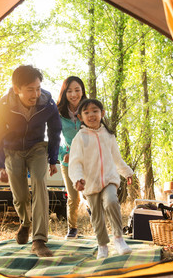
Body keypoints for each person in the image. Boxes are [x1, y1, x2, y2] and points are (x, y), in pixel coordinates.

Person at [0, 65, 62, 257]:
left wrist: (53, 159)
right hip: (12, 150)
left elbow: (55, 131)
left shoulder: (48, 103)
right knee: (20, 196)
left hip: (37, 147)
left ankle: (39, 240)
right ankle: (25, 222)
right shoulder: (3, 106)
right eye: (30, 89)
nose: (36, 94)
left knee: (40, 183)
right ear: (17, 89)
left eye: (38, 88)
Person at [68, 99, 133, 259]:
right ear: (80, 117)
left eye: (95, 111)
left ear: (102, 113)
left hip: (109, 179)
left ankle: (118, 238)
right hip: (89, 183)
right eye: (87, 112)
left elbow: (116, 158)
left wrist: (127, 172)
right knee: (96, 215)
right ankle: (102, 245)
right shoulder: (80, 138)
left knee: (111, 201)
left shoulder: (108, 135)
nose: (91, 115)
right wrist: (78, 179)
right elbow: (75, 162)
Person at [56, 76, 88, 239]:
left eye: (77, 90)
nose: (73, 94)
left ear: (82, 92)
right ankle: (72, 228)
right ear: (64, 93)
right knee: (73, 197)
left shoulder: (89, 108)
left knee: (91, 193)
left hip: (88, 159)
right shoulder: (58, 113)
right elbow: (55, 137)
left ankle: (97, 223)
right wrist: (63, 154)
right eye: (69, 91)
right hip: (68, 160)